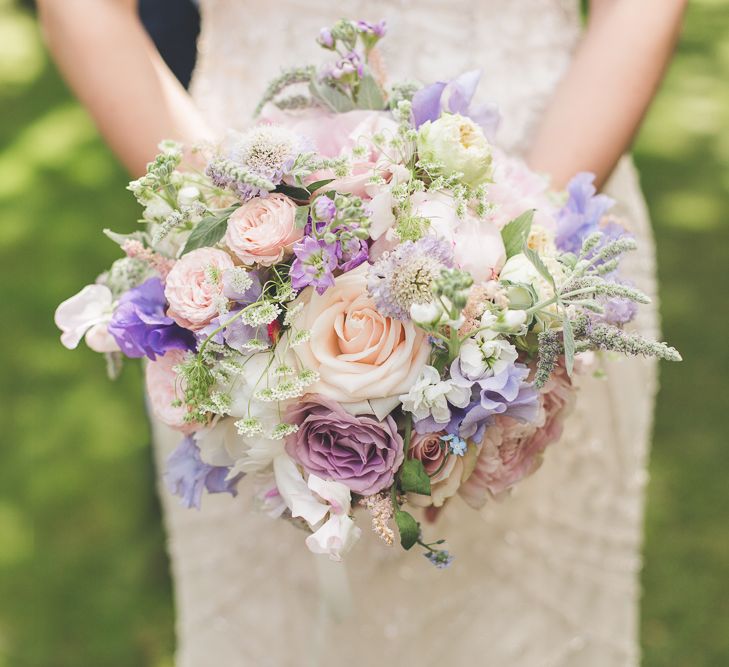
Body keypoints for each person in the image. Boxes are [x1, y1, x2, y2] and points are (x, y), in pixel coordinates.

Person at [38, 1, 687, 665]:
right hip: (246, 218)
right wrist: (246, 250)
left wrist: (515, 279)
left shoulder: (537, 256)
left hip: (558, 175)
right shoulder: (247, 257)